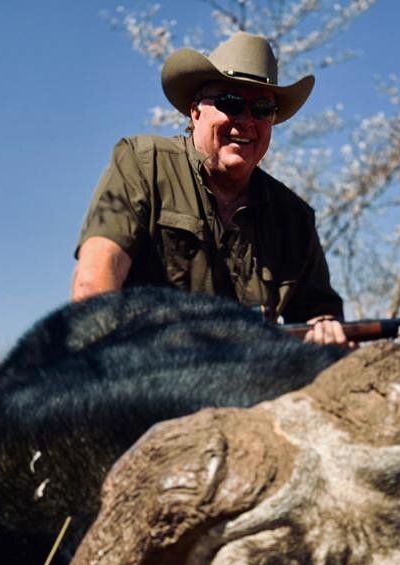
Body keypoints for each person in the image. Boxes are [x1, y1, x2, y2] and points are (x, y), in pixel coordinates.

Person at [72, 31, 348, 346]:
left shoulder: (294, 218)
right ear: (195, 111)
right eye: (230, 103)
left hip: (250, 384)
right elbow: (95, 281)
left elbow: (319, 315)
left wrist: (326, 329)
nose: (245, 121)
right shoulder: (143, 163)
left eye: (261, 109)